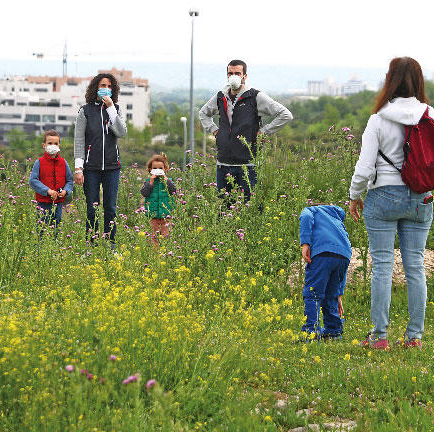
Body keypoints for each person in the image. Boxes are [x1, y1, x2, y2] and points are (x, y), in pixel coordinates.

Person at [348, 57, 434, 350]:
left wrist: (354, 195)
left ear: (390, 80)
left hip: (383, 197)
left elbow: (364, 169)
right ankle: (414, 338)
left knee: (383, 267)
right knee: (415, 266)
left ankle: (379, 336)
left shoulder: (379, 118)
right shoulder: (430, 114)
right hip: (420, 197)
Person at [198, 59, 293, 207]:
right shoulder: (220, 96)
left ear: (245, 76)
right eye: (230, 73)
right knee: (223, 210)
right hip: (223, 164)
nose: (233, 76)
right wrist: (215, 130)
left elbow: (285, 115)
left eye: (237, 73)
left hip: (248, 164)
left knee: (251, 208)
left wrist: (264, 131)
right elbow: (203, 113)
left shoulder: (255, 96)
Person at [73, 72, 127, 248]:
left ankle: (111, 246)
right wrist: (79, 168)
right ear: (96, 87)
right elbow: (79, 140)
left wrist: (111, 108)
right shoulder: (85, 111)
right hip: (91, 168)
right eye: (103, 86)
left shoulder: (116, 109)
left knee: (110, 208)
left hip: (112, 167)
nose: (106, 89)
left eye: (110, 86)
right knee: (92, 208)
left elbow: (121, 132)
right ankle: (91, 245)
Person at [298, 204, 351, 341]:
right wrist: (339, 294)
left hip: (322, 254)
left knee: (313, 293)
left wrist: (305, 244)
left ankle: (311, 332)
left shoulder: (312, 210)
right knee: (330, 295)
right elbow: (343, 269)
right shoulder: (338, 221)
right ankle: (334, 332)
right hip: (343, 256)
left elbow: (306, 216)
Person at [29, 129, 74, 238]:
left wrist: (65, 191)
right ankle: (40, 251)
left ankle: (54, 252)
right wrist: (47, 191)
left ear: (59, 145)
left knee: (56, 230)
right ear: (44, 145)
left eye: (55, 143)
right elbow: (33, 180)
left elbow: (69, 180)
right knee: (42, 231)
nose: (53, 145)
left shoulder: (63, 163)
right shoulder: (39, 162)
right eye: (50, 143)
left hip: (58, 203)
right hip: (43, 203)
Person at [139, 153, 176, 245]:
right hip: (153, 216)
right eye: (155, 168)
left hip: (166, 216)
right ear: (150, 170)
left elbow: (173, 191)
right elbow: (144, 193)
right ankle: (154, 255)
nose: (157, 170)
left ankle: (164, 254)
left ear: (165, 169)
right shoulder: (148, 182)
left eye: (160, 168)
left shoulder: (169, 181)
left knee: (166, 238)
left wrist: (165, 179)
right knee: (153, 239)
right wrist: (151, 182)